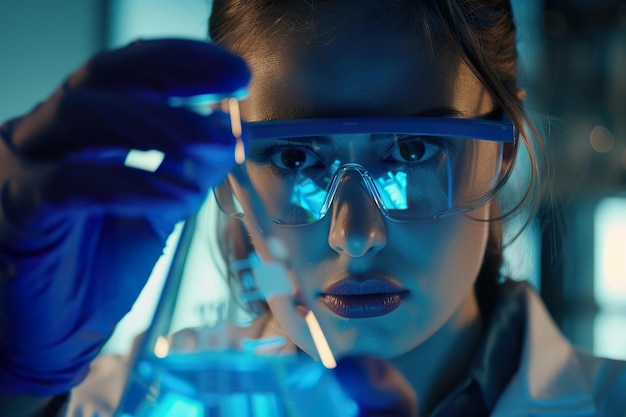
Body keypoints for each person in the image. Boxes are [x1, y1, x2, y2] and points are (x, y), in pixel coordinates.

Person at [1, 1, 625, 416]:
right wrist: (19, 390)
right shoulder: (112, 405)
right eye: (296, 158)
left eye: (413, 150)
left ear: (506, 150)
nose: (355, 234)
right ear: (227, 166)